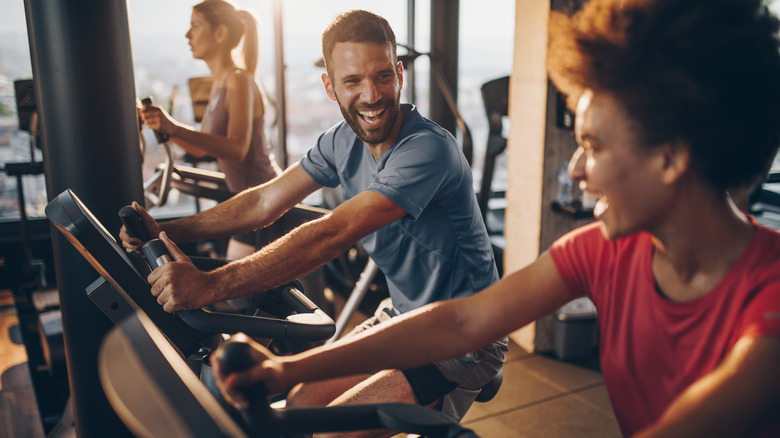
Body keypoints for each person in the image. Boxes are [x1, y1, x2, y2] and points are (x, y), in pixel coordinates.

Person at [212, 0, 780, 436]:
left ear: (670, 158)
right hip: (410, 321)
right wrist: (286, 372)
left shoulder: (769, 298)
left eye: (595, 146)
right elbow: (459, 322)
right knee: (300, 414)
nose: (577, 169)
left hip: (462, 366)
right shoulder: (602, 250)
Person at [121, 9, 506, 432]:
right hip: (401, 317)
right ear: (330, 86)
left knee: (334, 430)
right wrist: (171, 230)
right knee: (300, 407)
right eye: (353, 81)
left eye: (382, 76)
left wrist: (212, 285)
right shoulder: (340, 142)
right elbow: (264, 201)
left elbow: (333, 233)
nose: (372, 95)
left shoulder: (428, 149)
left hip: (464, 339)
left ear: (399, 75)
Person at [139, 0, 281, 260]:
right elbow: (201, 148)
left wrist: (173, 126)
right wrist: (166, 129)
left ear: (220, 33)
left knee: (238, 295)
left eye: (195, 26)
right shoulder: (219, 84)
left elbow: (237, 148)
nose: (187, 35)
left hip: (262, 198)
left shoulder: (239, 81)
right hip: (244, 199)